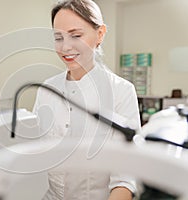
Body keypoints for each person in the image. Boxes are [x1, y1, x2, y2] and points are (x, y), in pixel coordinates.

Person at [32, 0, 141, 199]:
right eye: (58, 37)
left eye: (76, 35)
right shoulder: (46, 90)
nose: (65, 47)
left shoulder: (121, 91)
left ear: (99, 34)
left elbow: (125, 177)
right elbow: (36, 157)